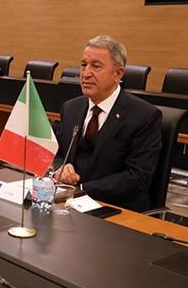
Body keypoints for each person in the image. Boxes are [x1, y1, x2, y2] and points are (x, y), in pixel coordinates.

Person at [54, 35, 162, 212]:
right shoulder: (71, 108)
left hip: (117, 209)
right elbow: (56, 151)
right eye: (83, 65)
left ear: (118, 73)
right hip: (68, 203)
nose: (86, 73)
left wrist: (82, 189)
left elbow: (137, 177)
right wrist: (59, 169)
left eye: (96, 66)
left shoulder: (144, 116)